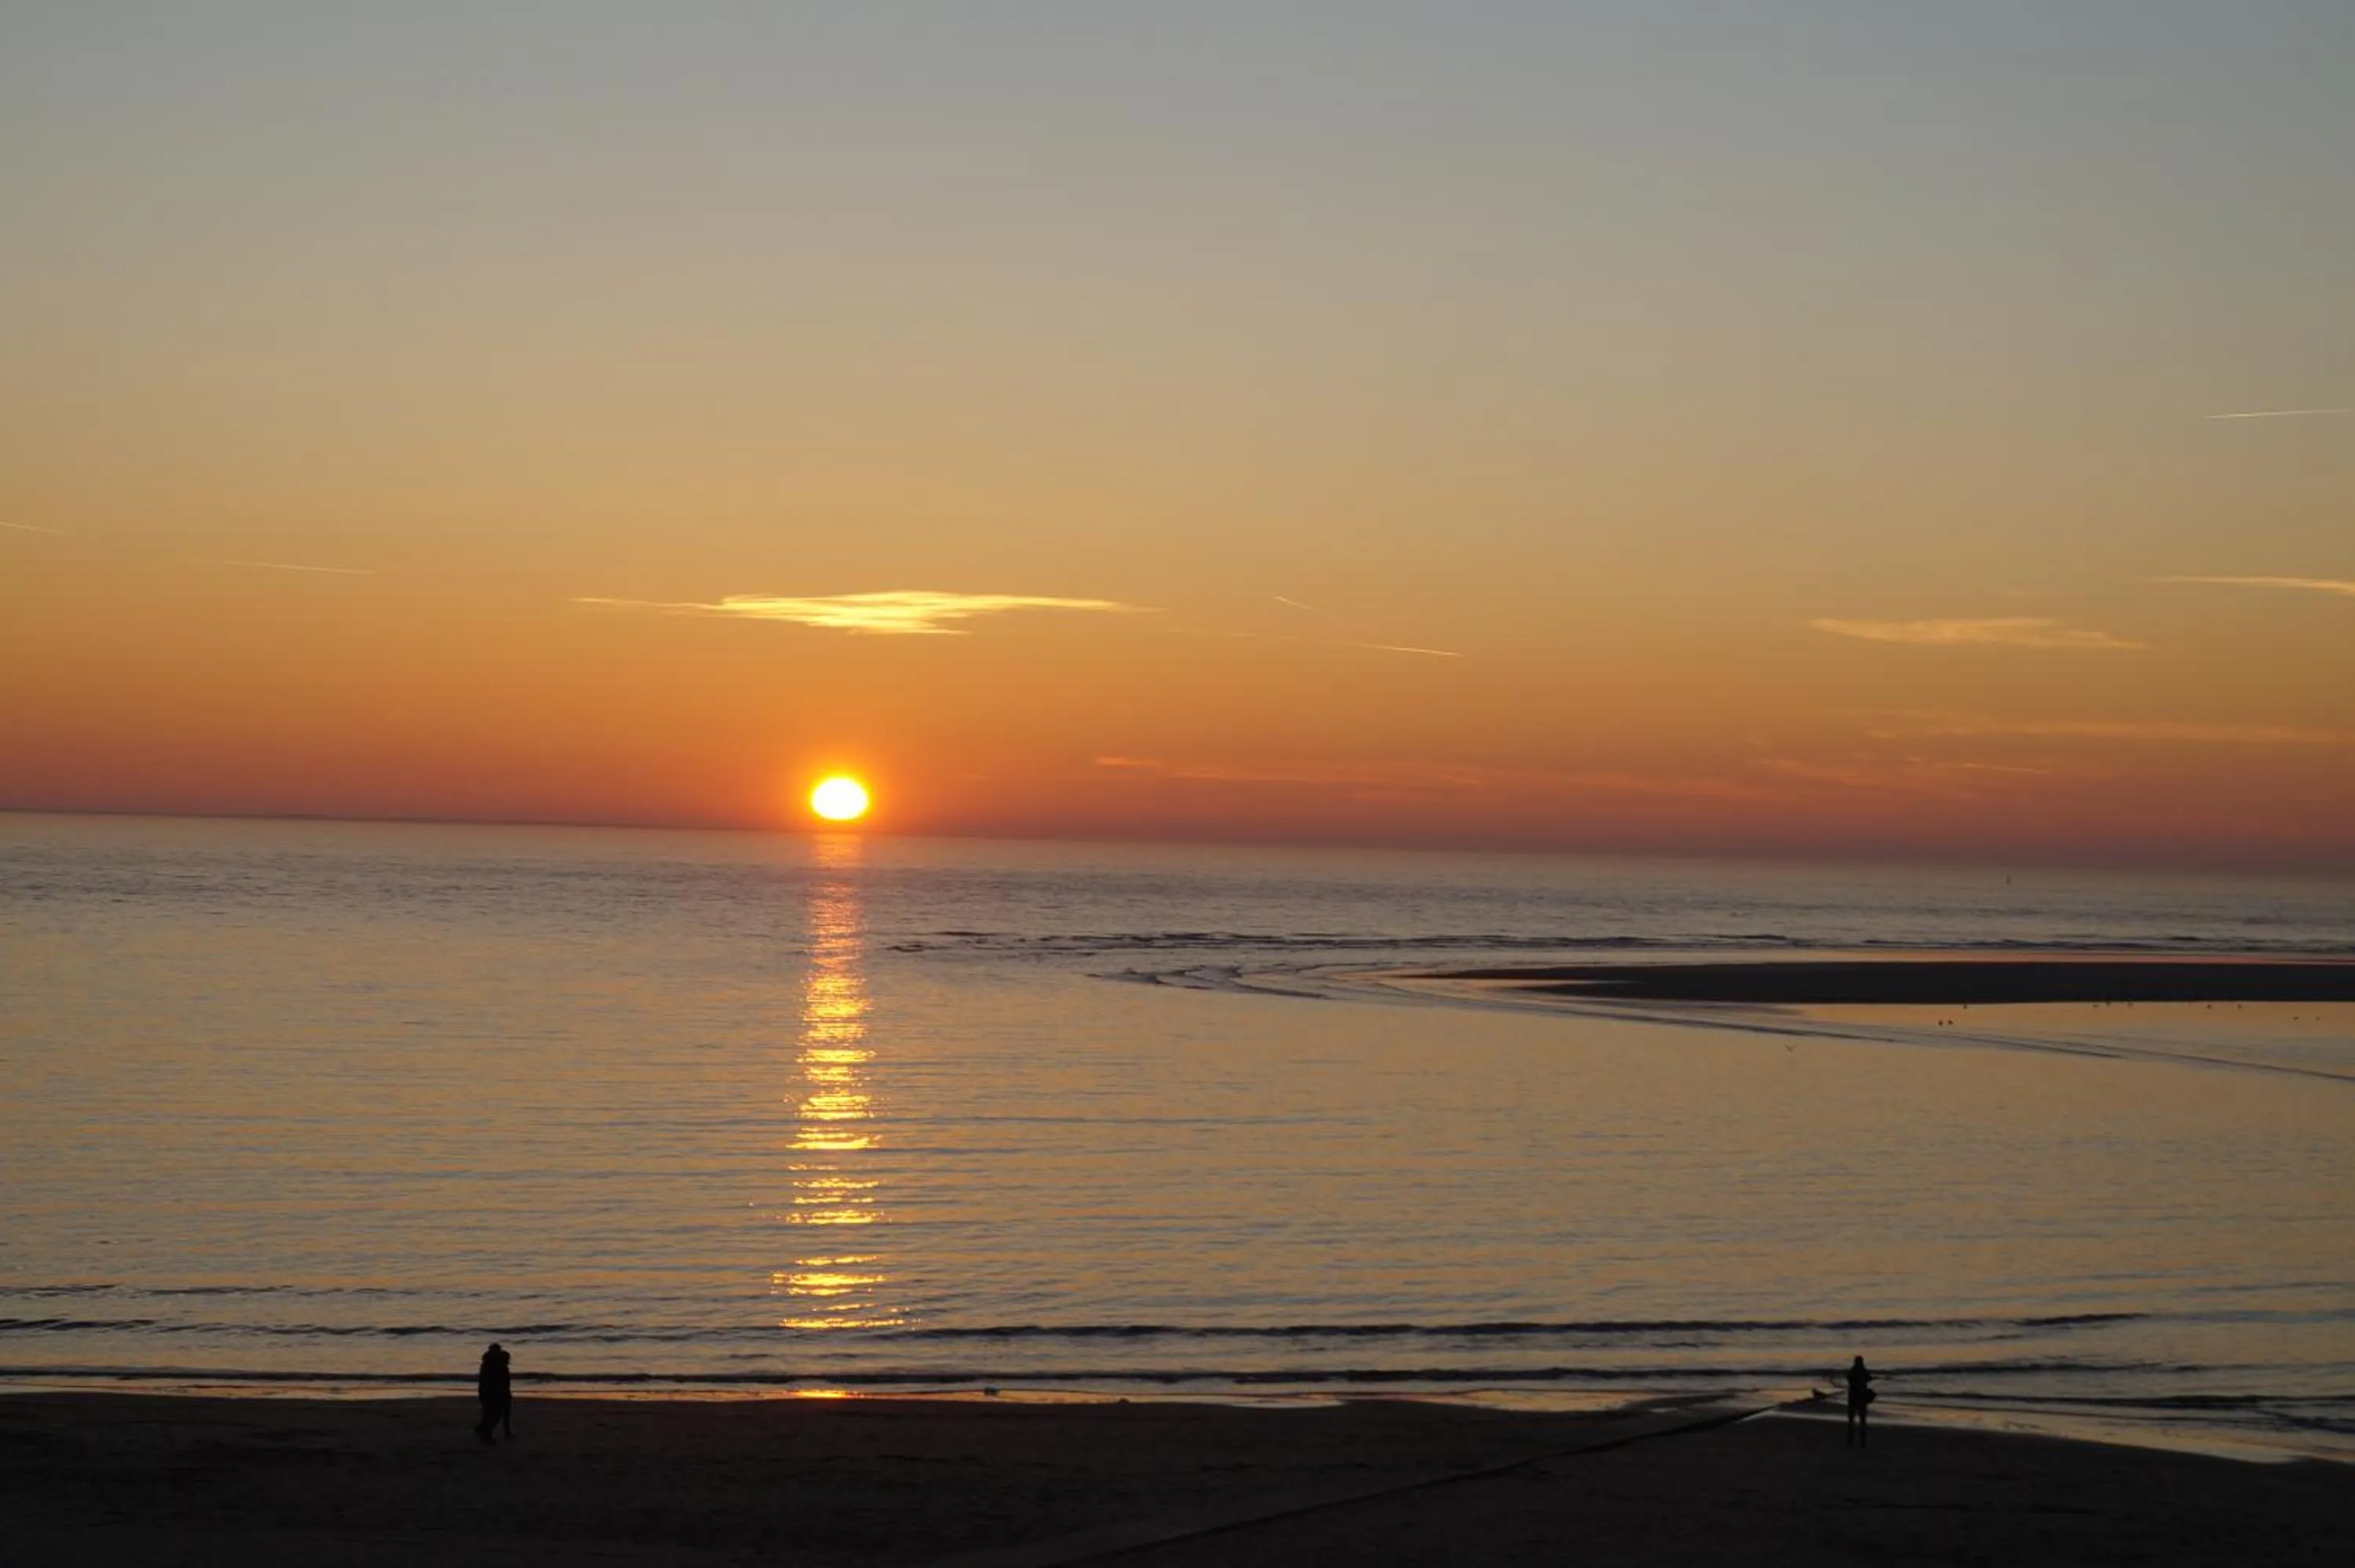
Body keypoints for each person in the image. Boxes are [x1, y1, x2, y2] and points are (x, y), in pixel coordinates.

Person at [475, 1342, 513, 1443]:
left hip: (487, 1391)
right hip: (497, 1392)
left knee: (489, 1413)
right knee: (495, 1414)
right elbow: (502, 1381)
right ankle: (487, 1433)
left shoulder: (487, 1363)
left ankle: (485, 1430)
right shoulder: (497, 1365)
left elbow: (483, 1380)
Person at [1843, 1354, 1875, 1448]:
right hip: (1861, 1398)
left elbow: (1849, 1379)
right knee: (1862, 1421)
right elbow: (1869, 1378)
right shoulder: (1863, 1371)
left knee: (1851, 1421)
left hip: (1853, 1398)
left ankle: (1851, 1441)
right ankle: (1862, 1442)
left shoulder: (1852, 1371)